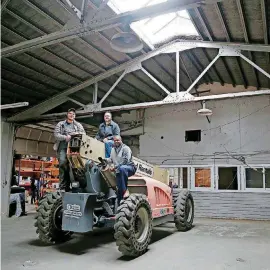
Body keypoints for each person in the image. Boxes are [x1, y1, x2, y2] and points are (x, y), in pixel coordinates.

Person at [54, 108, 85, 191]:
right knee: (63, 164)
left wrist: (76, 134)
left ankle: (77, 185)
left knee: (77, 166)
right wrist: (65, 137)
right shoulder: (61, 124)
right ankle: (63, 186)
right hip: (63, 147)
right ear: (67, 114)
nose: (72, 115)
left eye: (73, 114)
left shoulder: (78, 125)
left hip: (75, 148)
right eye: (70, 113)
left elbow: (84, 134)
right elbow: (56, 134)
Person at [104, 135, 137, 203]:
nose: (116, 141)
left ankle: (125, 191)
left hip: (129, 167)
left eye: (118, 140)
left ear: (121, 140)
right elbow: (111, 159)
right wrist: (104, 160)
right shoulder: (113, 149)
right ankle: (120, 203)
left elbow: (126, 161)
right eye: (115, 140)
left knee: (122, 169)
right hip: (119, 170)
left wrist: (115, 167)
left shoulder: (125, 148)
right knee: (119, 189)